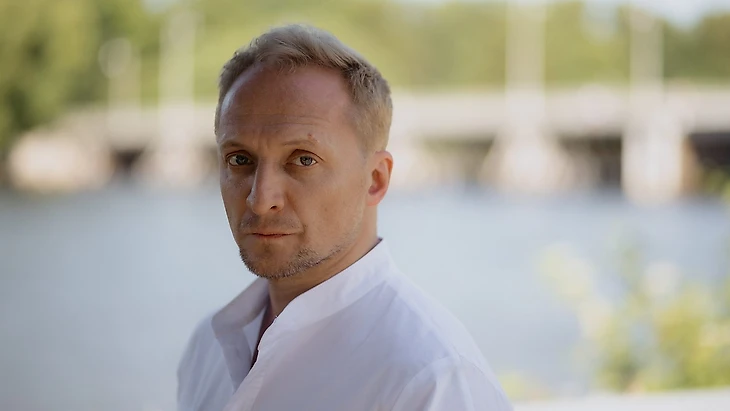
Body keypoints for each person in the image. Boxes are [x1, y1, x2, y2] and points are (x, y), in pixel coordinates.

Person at [177, 24, 512, 411]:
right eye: (240, 159)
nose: (260, 199)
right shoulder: (208, 347)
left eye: (304, 160)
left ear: (375, 180)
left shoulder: (431, 378)